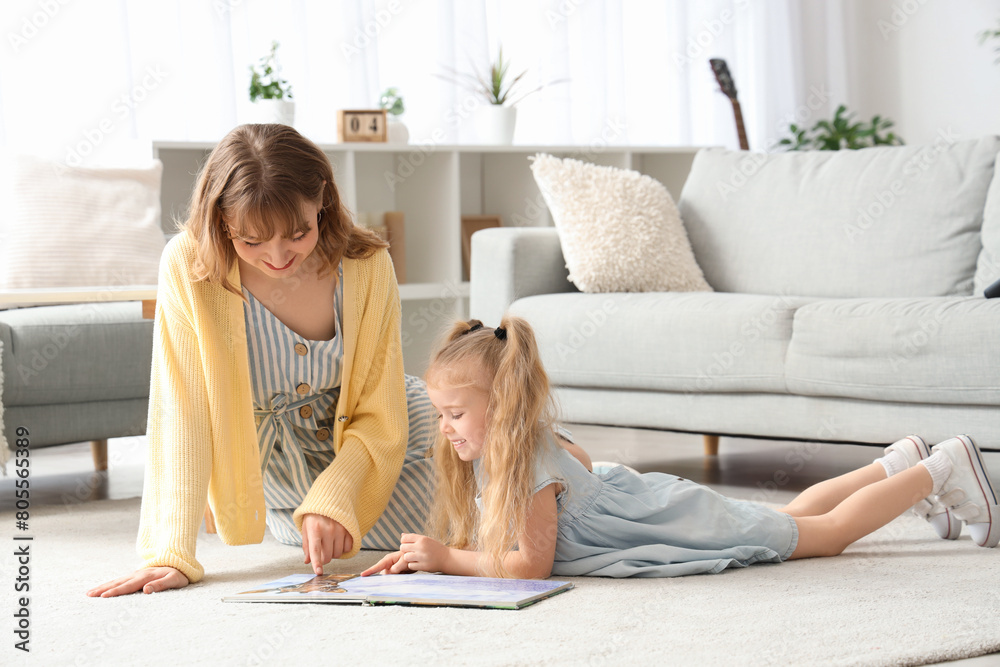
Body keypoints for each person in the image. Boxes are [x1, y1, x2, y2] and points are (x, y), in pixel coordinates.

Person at [363, 316, 999, 580]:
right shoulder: (510, 446)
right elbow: (582, 464)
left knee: (822, 535)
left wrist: (449, 557)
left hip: (675, 519)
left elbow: (528, 565)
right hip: (654, 502)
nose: (444, 427)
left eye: (454, 413)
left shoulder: (523, 462)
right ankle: (896, 462)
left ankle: (940, 469)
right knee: (788, 518)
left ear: (499, 407)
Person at [88, 124, 438, 597]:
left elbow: (382, 405)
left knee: (503, 464)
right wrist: (170, 551)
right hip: (282, 472)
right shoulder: (188, 267)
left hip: (385, 433)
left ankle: (557, 448)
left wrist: (336, 493)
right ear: (222, 221)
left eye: (298, 233)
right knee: (450, 530)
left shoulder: (366, 262)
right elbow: (182, 412)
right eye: (251, 241)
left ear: (323, 202)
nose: (277, 257)